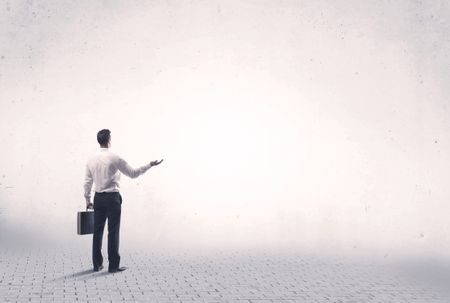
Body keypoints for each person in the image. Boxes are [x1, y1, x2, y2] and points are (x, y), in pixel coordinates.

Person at [83, 129, 163, 273]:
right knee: (113, 231)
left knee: (97, 231)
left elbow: (87, 182)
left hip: (98, 198)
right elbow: (133, 174)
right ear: (109, 140)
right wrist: (149, 165)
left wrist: (88, 199)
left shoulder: (91, 159)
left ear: (99, 141)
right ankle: (113, 266)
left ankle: (97, 264)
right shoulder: (115, 158)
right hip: (112, 198)